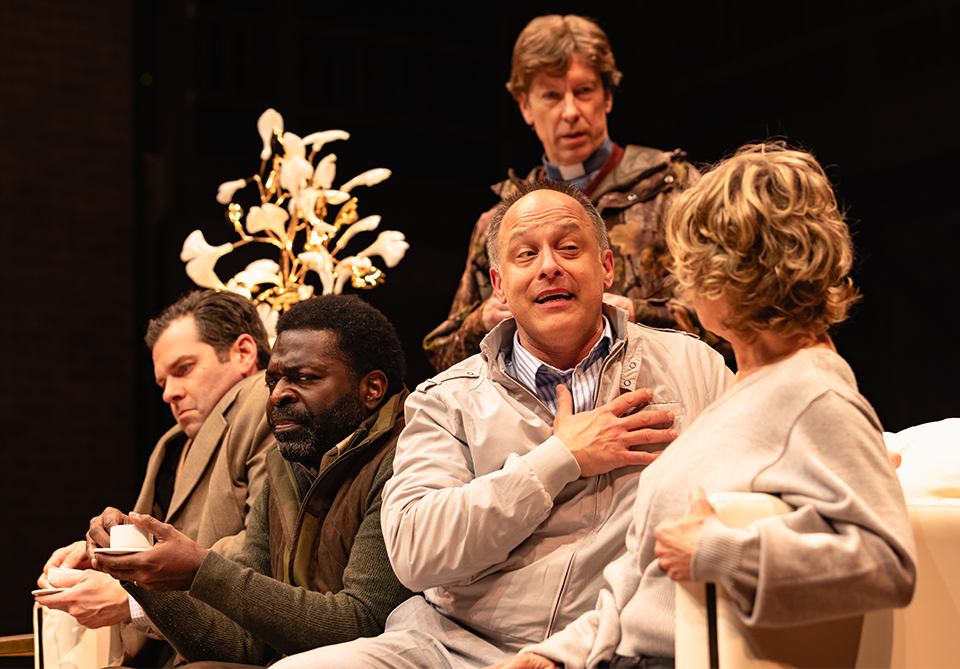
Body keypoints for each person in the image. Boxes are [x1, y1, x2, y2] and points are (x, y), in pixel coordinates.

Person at [269, 180, 732, 669]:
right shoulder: (445, 399)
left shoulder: (691, 366)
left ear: (607, 267)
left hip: (610, 646)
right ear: (499, 286)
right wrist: (557, 461)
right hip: (455, 646)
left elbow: (750, 492)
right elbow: (414, 551)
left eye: (569, 248)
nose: (549, 266)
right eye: (526, 255)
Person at [490, 143, 918, 669]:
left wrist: (722, 552)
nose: (681, 280)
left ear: (731, 277)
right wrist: (557, 654)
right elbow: (643, 576)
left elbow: (887, 564)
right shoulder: (743, 389)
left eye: (688, 262)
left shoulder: (812, 393)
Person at [85, 294, 414, 666]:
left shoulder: (407, 455)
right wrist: (134, 568)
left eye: (304, 378)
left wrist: (199, 568)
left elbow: (364, 623)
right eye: (272, 381)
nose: (278, 395)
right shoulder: (285, 465)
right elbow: (243, 646)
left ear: (371, 389)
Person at [423, 14, 729, 372]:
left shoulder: (672, 188)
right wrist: (484, 320)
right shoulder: (501, 220)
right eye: (551, 96)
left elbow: (733, 319)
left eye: (583, 91)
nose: (570, 112)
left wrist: (633, 314)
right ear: (525, 106)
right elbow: (443, 358)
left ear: (608, 96)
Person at [35, 289, 275, 666]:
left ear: (243, 353)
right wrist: (103, 557)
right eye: (162, 382)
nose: (169, 394)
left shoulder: (265, 403)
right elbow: (156, 543)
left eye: (184, 369)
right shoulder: (171, 444)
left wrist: (131, 598)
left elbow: (267, 547)